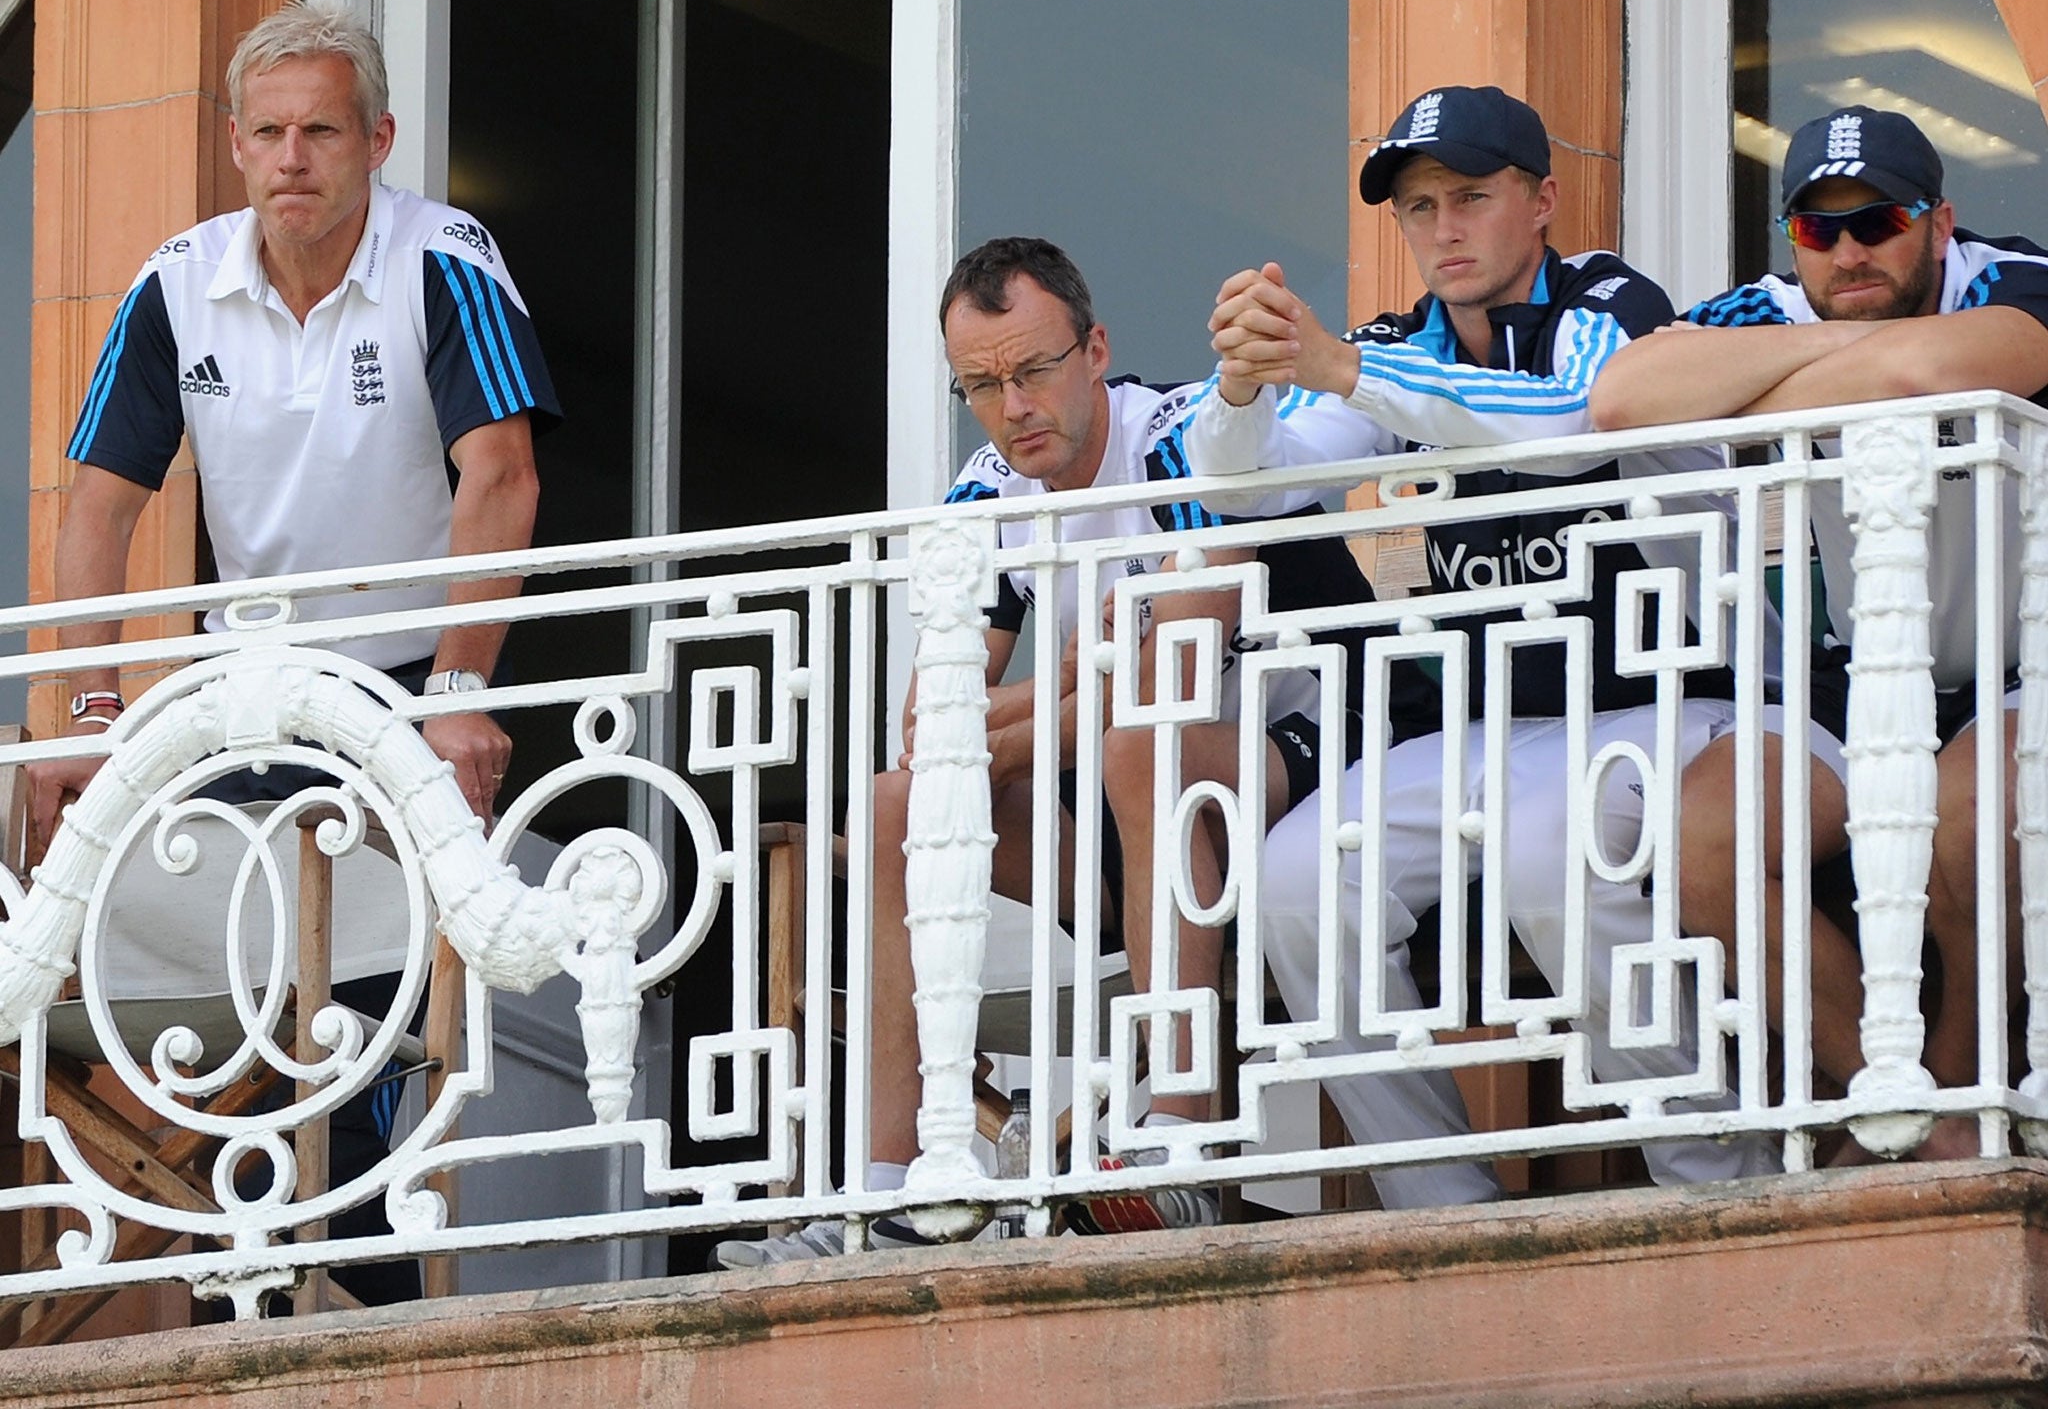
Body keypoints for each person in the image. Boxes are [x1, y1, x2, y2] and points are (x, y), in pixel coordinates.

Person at [714, 236, 1436, 1266]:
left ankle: (1175, 1150)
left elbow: (1171, 667)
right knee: (898, 803)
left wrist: (1058, 702)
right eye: (981, 385)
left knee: (1144, 739)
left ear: (1094, 349)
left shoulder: (1193, 433)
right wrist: (1063, 690)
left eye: (1033, 369)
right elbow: (933, 725)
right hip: (1124, 809)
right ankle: (891, 1190)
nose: (1012, 407)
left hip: (1312, 756)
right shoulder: (986, 491)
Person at [31, 0, 561, 1304]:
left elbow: (501, 475)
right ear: (231, 145)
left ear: (377, 138)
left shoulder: (448, 259)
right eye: (266, 132)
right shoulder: (177, 283)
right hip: (244, 694)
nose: (292, 159)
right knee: (213, 979)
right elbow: (97, 506)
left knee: (370, 1009)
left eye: (322, 129)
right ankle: (242, 1258)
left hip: (401, 685)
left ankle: (361, 1296)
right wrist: (88, 715)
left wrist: (459, 689)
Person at [1188, 84, 1779, 1207]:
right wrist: (1239, 388)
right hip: (1489, 722)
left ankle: (1714, 1186)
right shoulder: (1393, 342)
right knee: (1295, 879)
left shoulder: (1605, 297)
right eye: (1417, 207)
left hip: (1672, 703)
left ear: (1542, 201)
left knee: (1550, 851)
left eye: (1469, 196)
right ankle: (1436, 1206)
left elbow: (1565, 426)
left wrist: (1342, 370)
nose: (1442, 229)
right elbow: (1242, 494)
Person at [1588, 106, 2048, 1147]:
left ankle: (1955, 1088)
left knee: (1965, 819)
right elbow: (1622, 400)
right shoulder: (1773, 305)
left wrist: (1758, 384)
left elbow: (1929, 373)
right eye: (1815, 231)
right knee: (1705, 836)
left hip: (2020, 667)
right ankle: (1893, 1118)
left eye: (1876, 221)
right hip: (1844, 676)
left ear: (1939, 221)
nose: (1846, 251)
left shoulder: (2013, 275)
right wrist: (1850, 343)